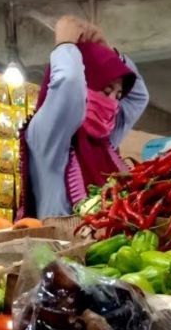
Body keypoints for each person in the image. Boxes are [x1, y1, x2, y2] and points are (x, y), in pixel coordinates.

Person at [20, 15, 149, 218]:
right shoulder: (49, 138)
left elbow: (139, 97)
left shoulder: (104, 141)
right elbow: (69, 84)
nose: (113, 103)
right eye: (106, 90)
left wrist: (110, 53)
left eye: (118, 95)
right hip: (60, 248)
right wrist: (65, 45)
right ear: (85, 86)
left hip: (107, 247)